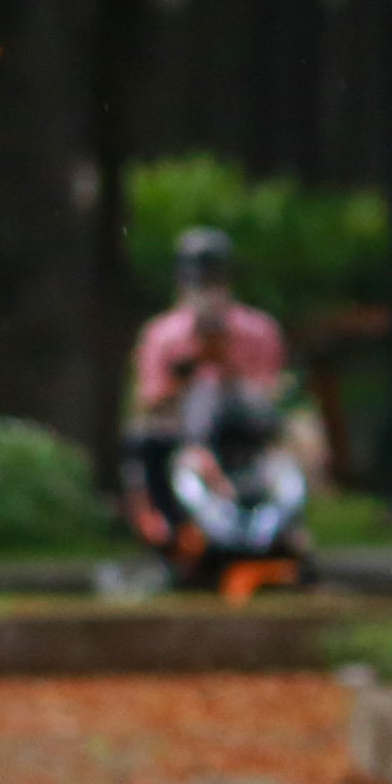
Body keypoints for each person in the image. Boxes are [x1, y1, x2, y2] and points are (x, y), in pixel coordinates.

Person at [125, 226, 293, 545]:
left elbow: (271, 393)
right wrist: (190, 369)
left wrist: (226, 364)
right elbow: (150, 400)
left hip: (244, 427)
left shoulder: (257, 329)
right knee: (144, 440)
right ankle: (169, 529)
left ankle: (286, 526)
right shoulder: (163, 334)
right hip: (184, 429)